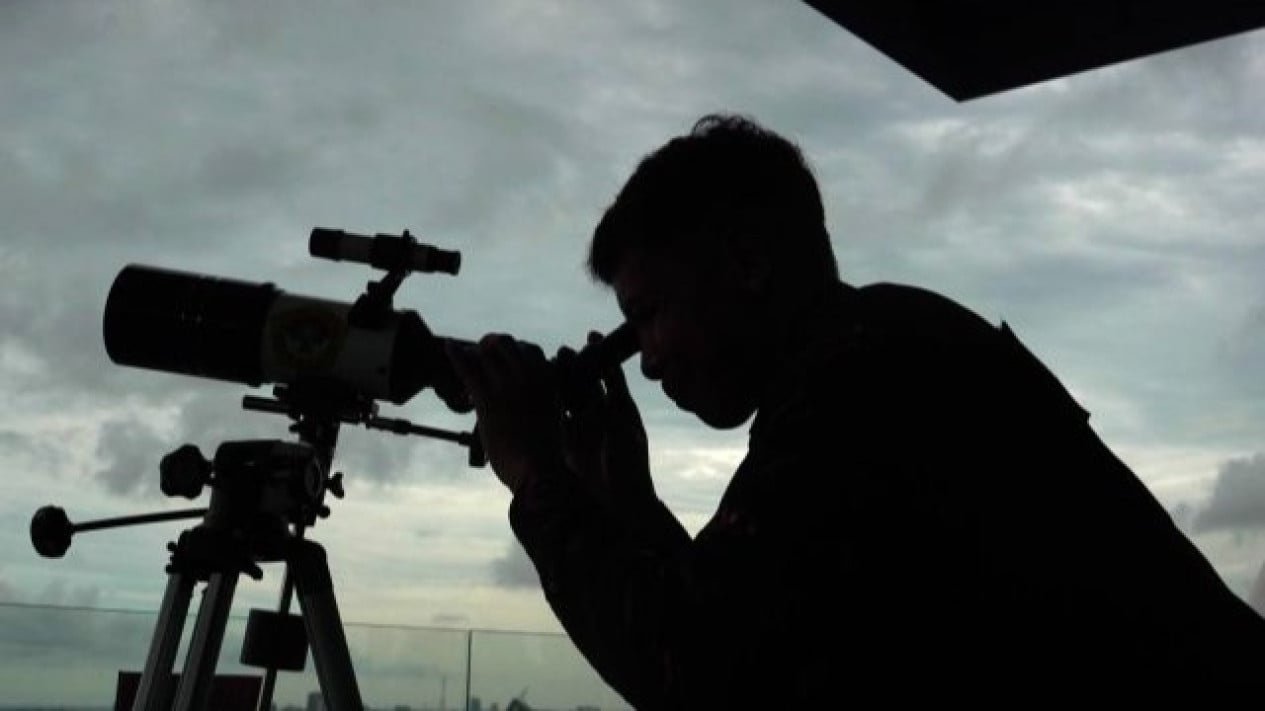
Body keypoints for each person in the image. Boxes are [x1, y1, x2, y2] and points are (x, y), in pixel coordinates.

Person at [446, 114, 1265, 707]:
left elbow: (695, 664)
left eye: (652, 312)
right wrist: (624, 502)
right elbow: (746, 620)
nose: (648, 356)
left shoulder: (864, 383)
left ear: (746, 261)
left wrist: (535, 476)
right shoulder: (875, 348)